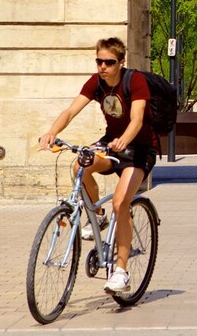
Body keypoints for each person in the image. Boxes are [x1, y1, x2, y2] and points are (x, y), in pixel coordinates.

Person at [37, 37, 158, 295]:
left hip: (139, 149)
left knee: (120, 203)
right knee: (80, 164)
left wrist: (124, 139)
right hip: (110, 143)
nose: (103, 67)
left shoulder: (135, 81)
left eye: (109, 62)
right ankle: (98, 218)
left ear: (120, 62)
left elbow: (137, 119)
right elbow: (70, 111)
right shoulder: (96, 83)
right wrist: (51, 132)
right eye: (99, 61)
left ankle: (121, 272)